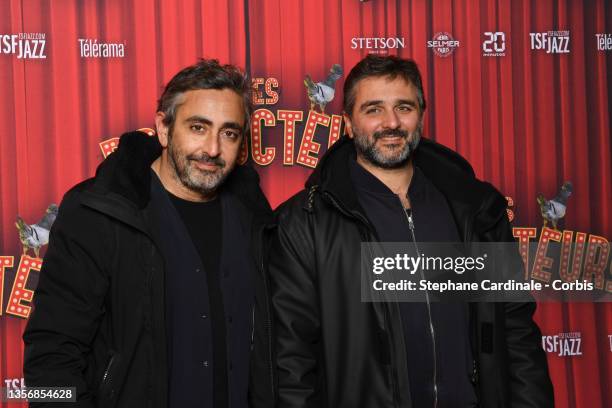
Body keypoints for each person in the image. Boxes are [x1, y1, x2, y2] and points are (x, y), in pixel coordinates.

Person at [267, 55, 554, 407]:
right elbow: (292, 360)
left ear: (421, 113)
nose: (391, 123)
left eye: (404, 107)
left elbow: (515, 330)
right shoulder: (305, 222)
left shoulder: (474, 208)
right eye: (373, 109)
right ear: (348, 123)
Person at [23, 59, 273, 408]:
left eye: (229, 133)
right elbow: (48, 357)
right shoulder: (96, 213)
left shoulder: (255, 217)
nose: (213, 149)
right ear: (164, 128)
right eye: (198, 128)